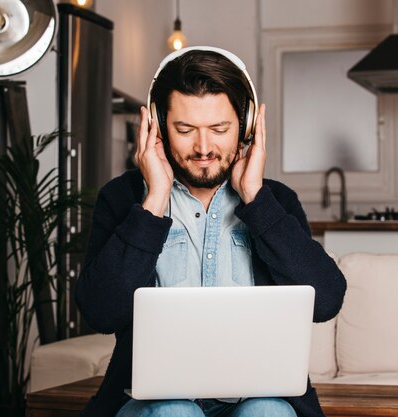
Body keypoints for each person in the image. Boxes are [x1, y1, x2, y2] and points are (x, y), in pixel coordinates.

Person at [75, 46, 346, 417]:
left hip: (257, 398)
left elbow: (327, 300)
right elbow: (100, 313)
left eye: (220, 129)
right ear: (157, 125)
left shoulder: (276, 201)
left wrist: (255, 198)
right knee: (174, 412)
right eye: (185, 130)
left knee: (269, 411)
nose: (204, 148)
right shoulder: (123, 199)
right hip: (153, 404)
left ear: (247, 124)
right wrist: (154, 201)